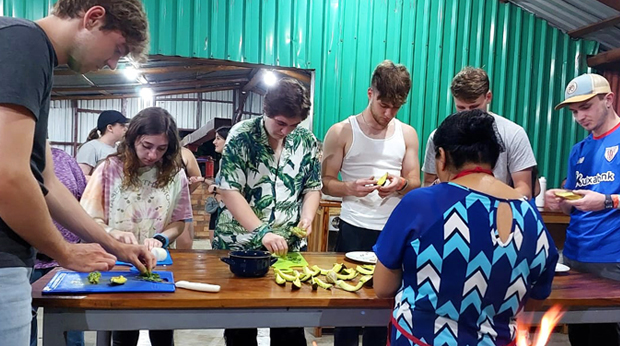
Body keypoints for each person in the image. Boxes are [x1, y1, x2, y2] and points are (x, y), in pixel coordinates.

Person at [0, 1, 154, 344]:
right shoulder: (24, 44)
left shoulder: (30, 54)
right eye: (118, 49)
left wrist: (114, 245)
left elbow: (47, 184)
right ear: (93, 17)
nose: (113, 63)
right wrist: (64, 251)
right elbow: (7, 176)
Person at [374, 109, 558, 345]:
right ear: (494, 158)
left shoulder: (421, 203)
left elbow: (383, 287)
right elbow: (536, 295)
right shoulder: (530, 215)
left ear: (442, 157)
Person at [215, 78, 321, 346]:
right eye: (281, 123)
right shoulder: (242, 135)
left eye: (293, 125)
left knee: (290, 329)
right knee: (241, 330)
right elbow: (229, 190)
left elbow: (312, 187)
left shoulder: (306, 140)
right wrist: (262, 231)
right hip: (242, 247)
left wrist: (307, 216)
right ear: (266, 110)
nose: (286, 130)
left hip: (288, 248)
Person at [321, 60, 420, 346]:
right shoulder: (342, 131)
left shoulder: (407, 133)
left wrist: (400, 184)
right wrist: (349, 187)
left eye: (396, 107)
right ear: (370, 93)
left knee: (382, 311)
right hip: (354, 228)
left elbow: (415, 182)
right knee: (347, 310)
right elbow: (326, 181)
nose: (388, 113)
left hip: (393, 231)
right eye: (383, 104)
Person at [80, 107, 192, 346]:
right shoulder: (109, 169)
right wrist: (113, 233)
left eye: (161, 149)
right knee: (123, 333)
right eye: (146, 146)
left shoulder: (175, 174)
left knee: (162, 333)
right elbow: (88, 219)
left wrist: (162, 238)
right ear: (132, 140)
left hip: (158, 263)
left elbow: (179, 221)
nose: (152, 155)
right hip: (118, 261)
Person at [545, 73, 620, 346]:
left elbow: (601, 200)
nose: (579, 118)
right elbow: (572, 207)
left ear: (608, 99)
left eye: (586, 107)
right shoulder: (579, 151)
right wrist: (561, 201)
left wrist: (607, 201)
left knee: (605, 337)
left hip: (611, 258)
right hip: (575, 256)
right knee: (579, 336)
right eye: (575, 111)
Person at [422, 67, 538, 199]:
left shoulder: (513, 133)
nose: (468, 113)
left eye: (474, 107)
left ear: (488, 97)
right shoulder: (439, 136)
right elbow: (428, 183)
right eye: (461, 107)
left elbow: (524, 189)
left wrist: (489, 205)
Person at [30, 148, 87, 346]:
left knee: (71, 330)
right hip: (26, 262)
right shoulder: (12, 157)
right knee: (24, 330)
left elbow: (83, 201)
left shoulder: (63, 159)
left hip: (66, 262)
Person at [76, 110, 128, 179]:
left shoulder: (119, 149)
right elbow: (81, 178)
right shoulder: (91, 147)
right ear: (110, 128)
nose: (125, 129)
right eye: (122, 125)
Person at [175, 146, 204, 249]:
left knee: (184, 245)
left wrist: (184, 194)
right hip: (153, 206)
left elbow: (197, 178)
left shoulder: (184, 152)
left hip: (179, 205)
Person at [206, 125, 230, 241]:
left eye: (218, 138)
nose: (214, 142)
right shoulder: (222, 161)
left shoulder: (232, 162)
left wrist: (216, 189)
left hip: (228, 211)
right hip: (218, 208)